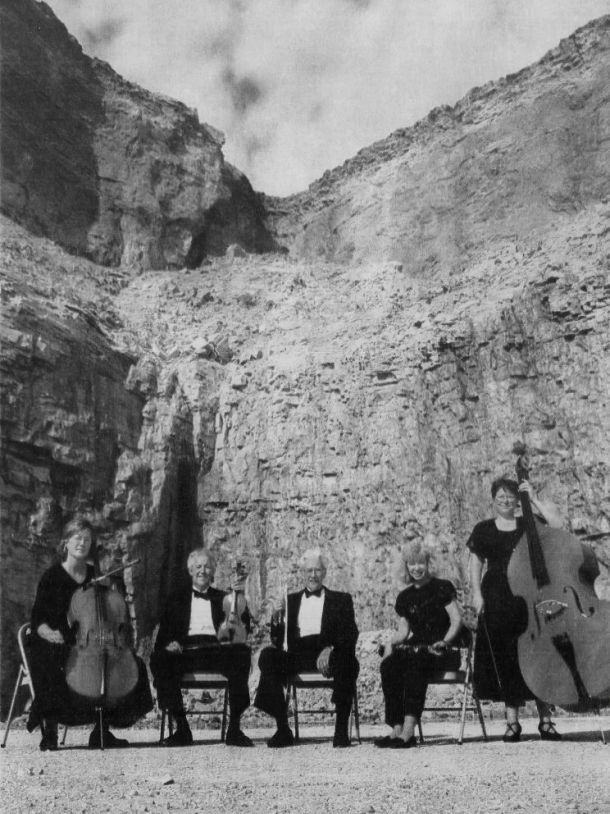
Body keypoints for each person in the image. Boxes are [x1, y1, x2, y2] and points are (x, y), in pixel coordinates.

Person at [27, 516, 153, 751]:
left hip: (90, 640)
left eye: (87, 539)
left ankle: (102, 730)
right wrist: (49, 633)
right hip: (56, 639)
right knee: (50, 657)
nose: (82, 543)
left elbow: (110, 611)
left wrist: (115, 592)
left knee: (130, 664)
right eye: (77, 538)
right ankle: (51, 728)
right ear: (65, 543)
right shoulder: (52, 577)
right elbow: (38, 621)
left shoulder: (96, 575)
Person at [468, 476, 564, 741]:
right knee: (506, 656)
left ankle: (546, 721)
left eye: (510, 496)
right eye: (501, 496)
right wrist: (476, 594)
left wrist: (532, 498)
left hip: (528, 596)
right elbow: (475, 562)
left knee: (539, 654)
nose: (506, 500)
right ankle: (512, 722)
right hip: (497, 596)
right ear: (493, 500)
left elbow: (557, 525)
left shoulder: (528, 523)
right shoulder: (483, 529)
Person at [254, 548, 360, 748]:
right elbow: (278, 641)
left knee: (348, 661)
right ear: (302, 573)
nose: (313, 575)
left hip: (328, 653)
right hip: (298, 654)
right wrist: (277, 619)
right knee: (268, 656)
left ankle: (340, 730)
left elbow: (350, 634)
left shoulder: (341, 599)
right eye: (309, 571)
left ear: (325, 572)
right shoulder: (290, 600)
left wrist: (330, 648)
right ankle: (283, 728)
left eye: (318, 570)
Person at [150, 548, 253, 747]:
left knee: (241, 653)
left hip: (216, 650)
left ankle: (234, 729)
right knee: (160, 659)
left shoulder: (224, 597)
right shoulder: (176, 599)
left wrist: (239, 597)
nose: (202, 571)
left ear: (213, 571)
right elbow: (162, 637)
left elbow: (243, 626)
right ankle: (182, 728)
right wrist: (169, 644)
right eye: (198, 567)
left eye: (207, 567)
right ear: (190, 570)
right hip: (186, 651)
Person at [375, 540, 463, 748]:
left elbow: (456, 620)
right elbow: (403, 632)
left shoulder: (443, 587)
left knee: (415, 663)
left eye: (420, 563)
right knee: (388, 665)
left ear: (428, 563)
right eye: (411, 564)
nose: (416, 568)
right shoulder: (405, 597)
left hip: (443, 648)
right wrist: (390, 643)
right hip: (419, 646)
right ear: (405, 567)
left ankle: (408, 731)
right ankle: (396, 729)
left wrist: (445, 641)